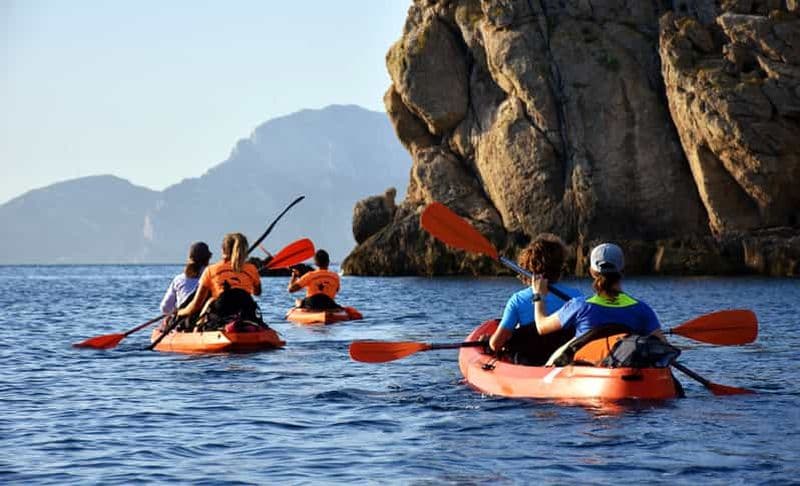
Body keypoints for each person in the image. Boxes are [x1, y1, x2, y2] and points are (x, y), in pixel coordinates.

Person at [531, 242, 665, 341]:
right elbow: (662, 347)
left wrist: (539, 295)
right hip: (625, 371)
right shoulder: (642, 309)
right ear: (622, 270)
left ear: (591, 272)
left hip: (589, 371)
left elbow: (542, 327)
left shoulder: (579, 306)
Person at [487, 234, 583, 364]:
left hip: (528, 365)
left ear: (528, 266)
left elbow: (495, 344)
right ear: (560, 266)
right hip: (562, 364)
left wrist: (489, 340)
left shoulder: (518, 300)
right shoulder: (577, 297)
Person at [177, 232, 262, 326]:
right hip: (246, 312)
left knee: (210, 301)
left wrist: (180, 312)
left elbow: (196, 306)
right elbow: (257, 292)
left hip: (221, 315)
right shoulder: (252, 269)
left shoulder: (210, 270)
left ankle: (197, 328)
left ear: (222, 249)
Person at [159, 241, 212, 314]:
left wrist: (176, 311)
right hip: (204, 319)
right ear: (208, 258)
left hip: (183, 319)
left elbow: (165, 308)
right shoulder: (213, 278)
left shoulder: (178, 279)